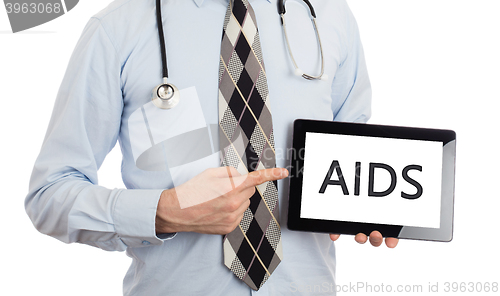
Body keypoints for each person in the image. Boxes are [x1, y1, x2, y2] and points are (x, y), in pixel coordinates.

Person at [26, 0, 398, 295]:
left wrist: (370, 210)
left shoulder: (330, 17)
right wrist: (165, 211)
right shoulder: (117, 29)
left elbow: (353, 164)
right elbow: (49, 194)